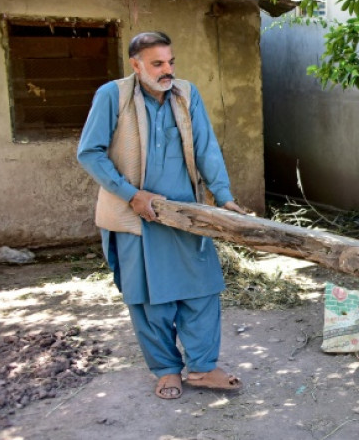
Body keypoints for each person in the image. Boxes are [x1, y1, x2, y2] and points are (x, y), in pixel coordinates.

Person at [77, 31, 246, 400]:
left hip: (186, 215)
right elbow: (89, 153)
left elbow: (206, 146)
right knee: (148, 299)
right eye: (157, 64)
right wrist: (132, 195)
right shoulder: (113, 96)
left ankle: (202, 369)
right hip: (134, 216)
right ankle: (167, 370)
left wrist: (224, 196)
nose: (167, 70)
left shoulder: (187, 94)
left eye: (170, 62)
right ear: (136, 65)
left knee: (202, 292)